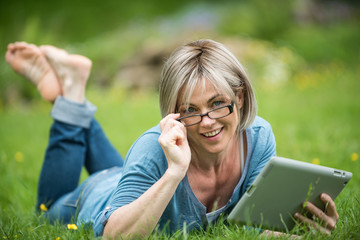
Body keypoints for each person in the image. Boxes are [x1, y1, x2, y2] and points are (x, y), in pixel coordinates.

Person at [5, 39, 339, 238]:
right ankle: (71, 97)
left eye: (218, 104)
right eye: (190, 110)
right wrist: (174, 172)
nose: (207, 122)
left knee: (127, 172)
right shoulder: (155, 149)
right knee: (44, 212)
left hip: (132, 179)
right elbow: (113, 235)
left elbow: (258, 224)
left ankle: (73, 90)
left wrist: (301, 227)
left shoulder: (258, 137)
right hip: (101, 195)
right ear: (173, 114)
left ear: (239, 96)